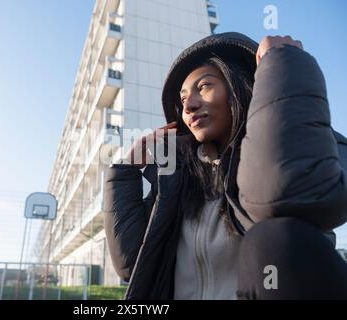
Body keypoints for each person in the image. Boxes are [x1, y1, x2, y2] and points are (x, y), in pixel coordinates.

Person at [104, 32, 347, 300]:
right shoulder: (175, 180)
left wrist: (283, 69)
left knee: (272, 239)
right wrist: (124, 173)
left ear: (242, 86)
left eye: (205, 86)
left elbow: (287, 197)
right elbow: (131, 265)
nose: (189, 105)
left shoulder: (310, 141)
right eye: (183, 99)